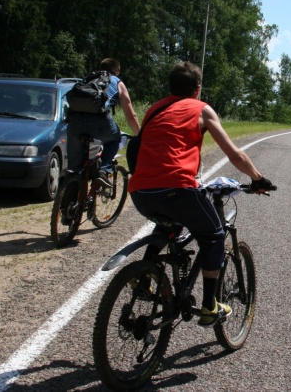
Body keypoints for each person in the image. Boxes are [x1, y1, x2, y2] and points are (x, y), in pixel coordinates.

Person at [129, 61, 273, 327]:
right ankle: (209, 306)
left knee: (168, 223)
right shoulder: (201, 109)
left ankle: (144, 275)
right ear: (197, 88)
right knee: (214, 234)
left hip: (140, 192)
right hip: (177, 189)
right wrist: (257, 179)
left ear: (171, 86)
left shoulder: (154, 109)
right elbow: (235, 154)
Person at [67, 58, 141, 187]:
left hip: (75, 121)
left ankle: (67, 203)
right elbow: (131, 116)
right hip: (99, 120)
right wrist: (140, 137)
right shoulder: (118, 82)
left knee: (74, 168)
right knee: (115, 139)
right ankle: (104, 170)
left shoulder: (88, 79)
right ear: (117, 71)